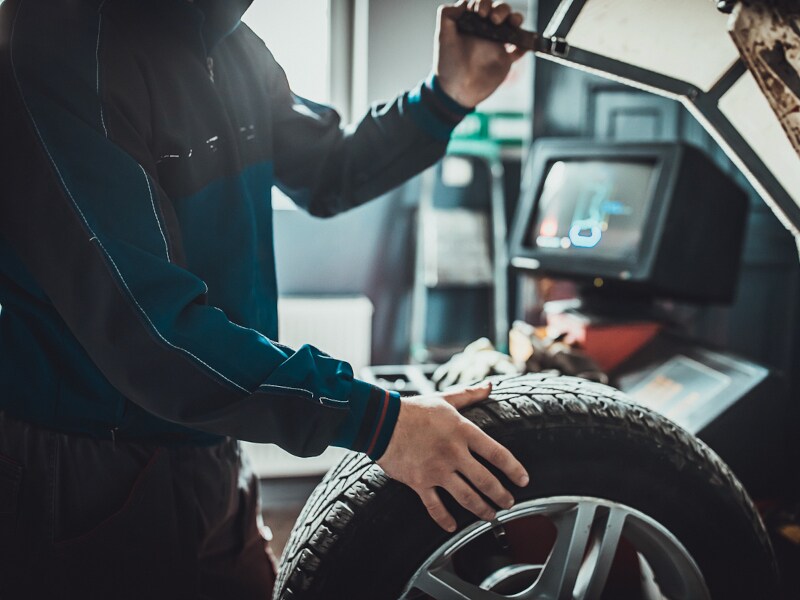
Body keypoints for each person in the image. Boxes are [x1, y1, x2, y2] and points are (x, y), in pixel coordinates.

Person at [0, 0, 529, 596]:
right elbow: (151, 333)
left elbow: (330, 170)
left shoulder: (229, 41)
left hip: (211, 442)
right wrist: (378, 421)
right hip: (84, 466)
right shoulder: (54, 48)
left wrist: (444, 97)